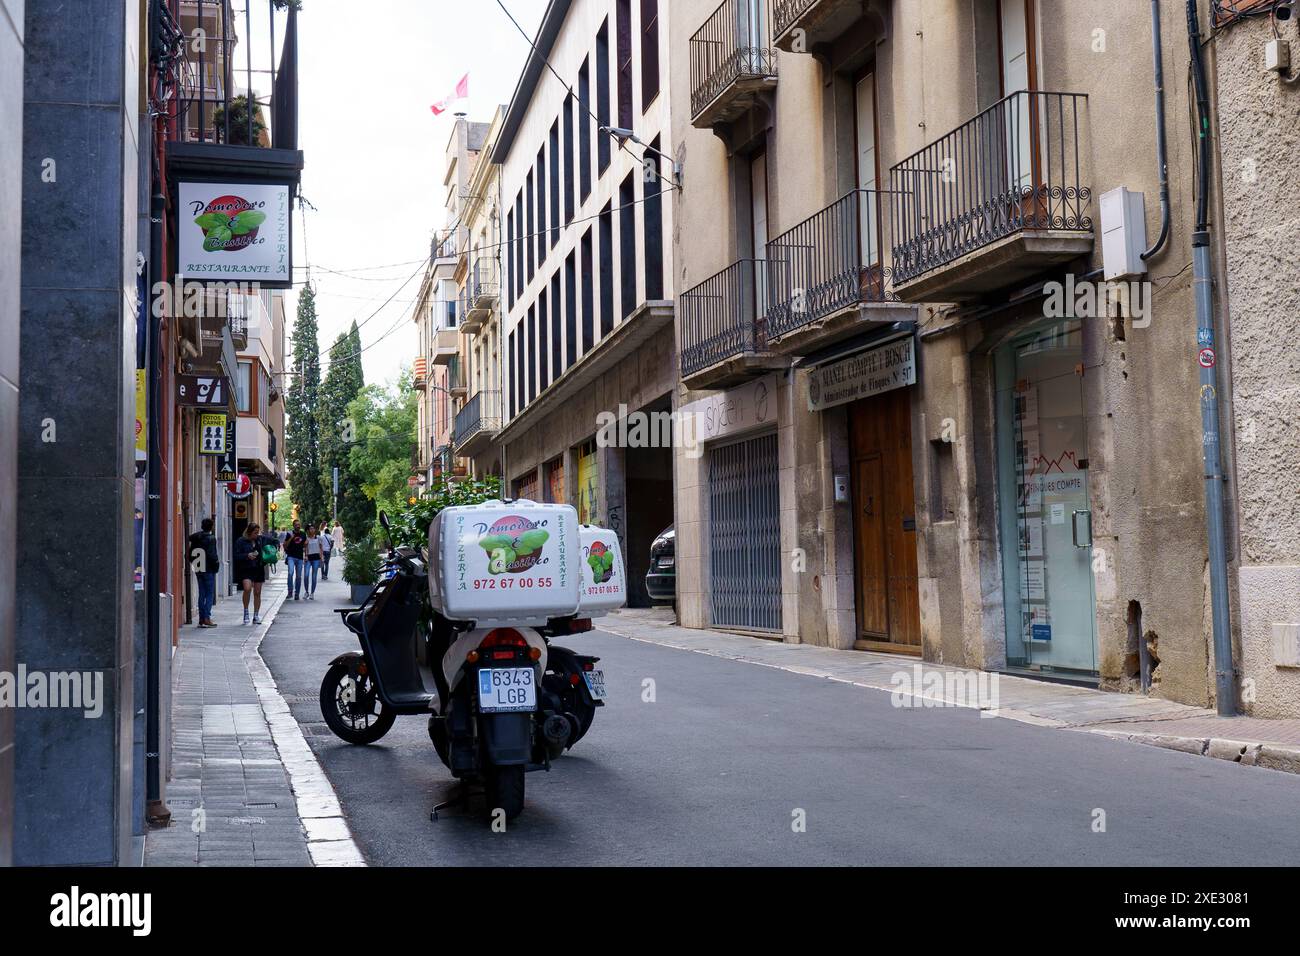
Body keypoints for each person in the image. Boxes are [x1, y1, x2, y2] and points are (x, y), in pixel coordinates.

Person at [233, 523, 269, 625]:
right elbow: (236, 556)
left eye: (258, 532)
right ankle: (246, 612)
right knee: (247, 589)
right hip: (246, 569)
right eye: (255, 533)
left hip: (258, 568)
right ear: (249, 532)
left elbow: (272, 542)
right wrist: (247, 555)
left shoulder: (260, 540)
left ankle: (256, 615)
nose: (257, 535)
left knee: (257, 592)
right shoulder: (241, 541)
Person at [187, 518, 220, 628]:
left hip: (198, 566)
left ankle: (201, 619)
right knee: (210, 593)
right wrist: (216, 565)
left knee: (202, 592)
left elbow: (190, 539)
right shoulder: (211, 539)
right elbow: (212, 555)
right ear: (211, 526)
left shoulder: (196, 537)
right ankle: (206, 617)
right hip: (208, 568)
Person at [284, 519, 306, 600]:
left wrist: (306, 554)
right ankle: (290, 592)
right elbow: (285, 545)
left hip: (300, 557)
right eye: (296, 524)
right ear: (293, 526)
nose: (298, 526)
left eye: (299, 524)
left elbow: (305, 545)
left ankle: (297, 593)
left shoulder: (303, 534)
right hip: (291, 557)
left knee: (299, 576)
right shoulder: (289, 534)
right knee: (290, 573)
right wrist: (291, 538)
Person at [304, 524, 323, 600]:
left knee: (314, 576)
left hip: (316, 558)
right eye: (310, 529)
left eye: (313, 528)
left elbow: (321, 548)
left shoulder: (318, 538)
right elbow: (305, 548)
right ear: (308, 530)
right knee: (306, 575)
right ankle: (306, 592)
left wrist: (322, 558)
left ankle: (312, 593)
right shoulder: (306, 538)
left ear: (315, 530)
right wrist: (305, 555)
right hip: (308, 558)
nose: (312, 530)